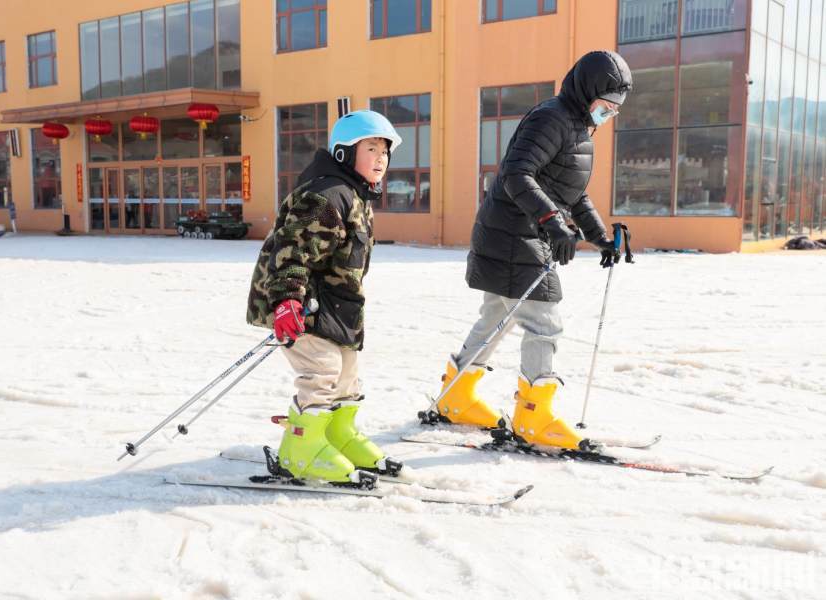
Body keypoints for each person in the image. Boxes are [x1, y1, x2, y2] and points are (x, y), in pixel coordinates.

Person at [429, 50, 633, 452]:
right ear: (588, 90)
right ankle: (534, 417)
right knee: (545, 322)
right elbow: (515, 176)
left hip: (514, 233)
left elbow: (571, 192)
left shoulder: (577, 127)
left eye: (614, 110)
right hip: (514, 235)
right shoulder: (552, 118)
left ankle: (456, 396)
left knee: (497, 318)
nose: (608, 114)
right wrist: (552, 223)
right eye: (605, 105)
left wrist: (600, 237)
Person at [247, 110, 402, 484]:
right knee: (322, 373)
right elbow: (292, 251)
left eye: (385, 150)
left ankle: (336, 435)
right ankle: (301, 451)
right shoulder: (325, 195)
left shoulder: (355, 195)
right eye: (371, 148)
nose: (381, 158)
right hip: (302, 305)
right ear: (343, 154)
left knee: (347, 377)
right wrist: (286, 301)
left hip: (337, 307)